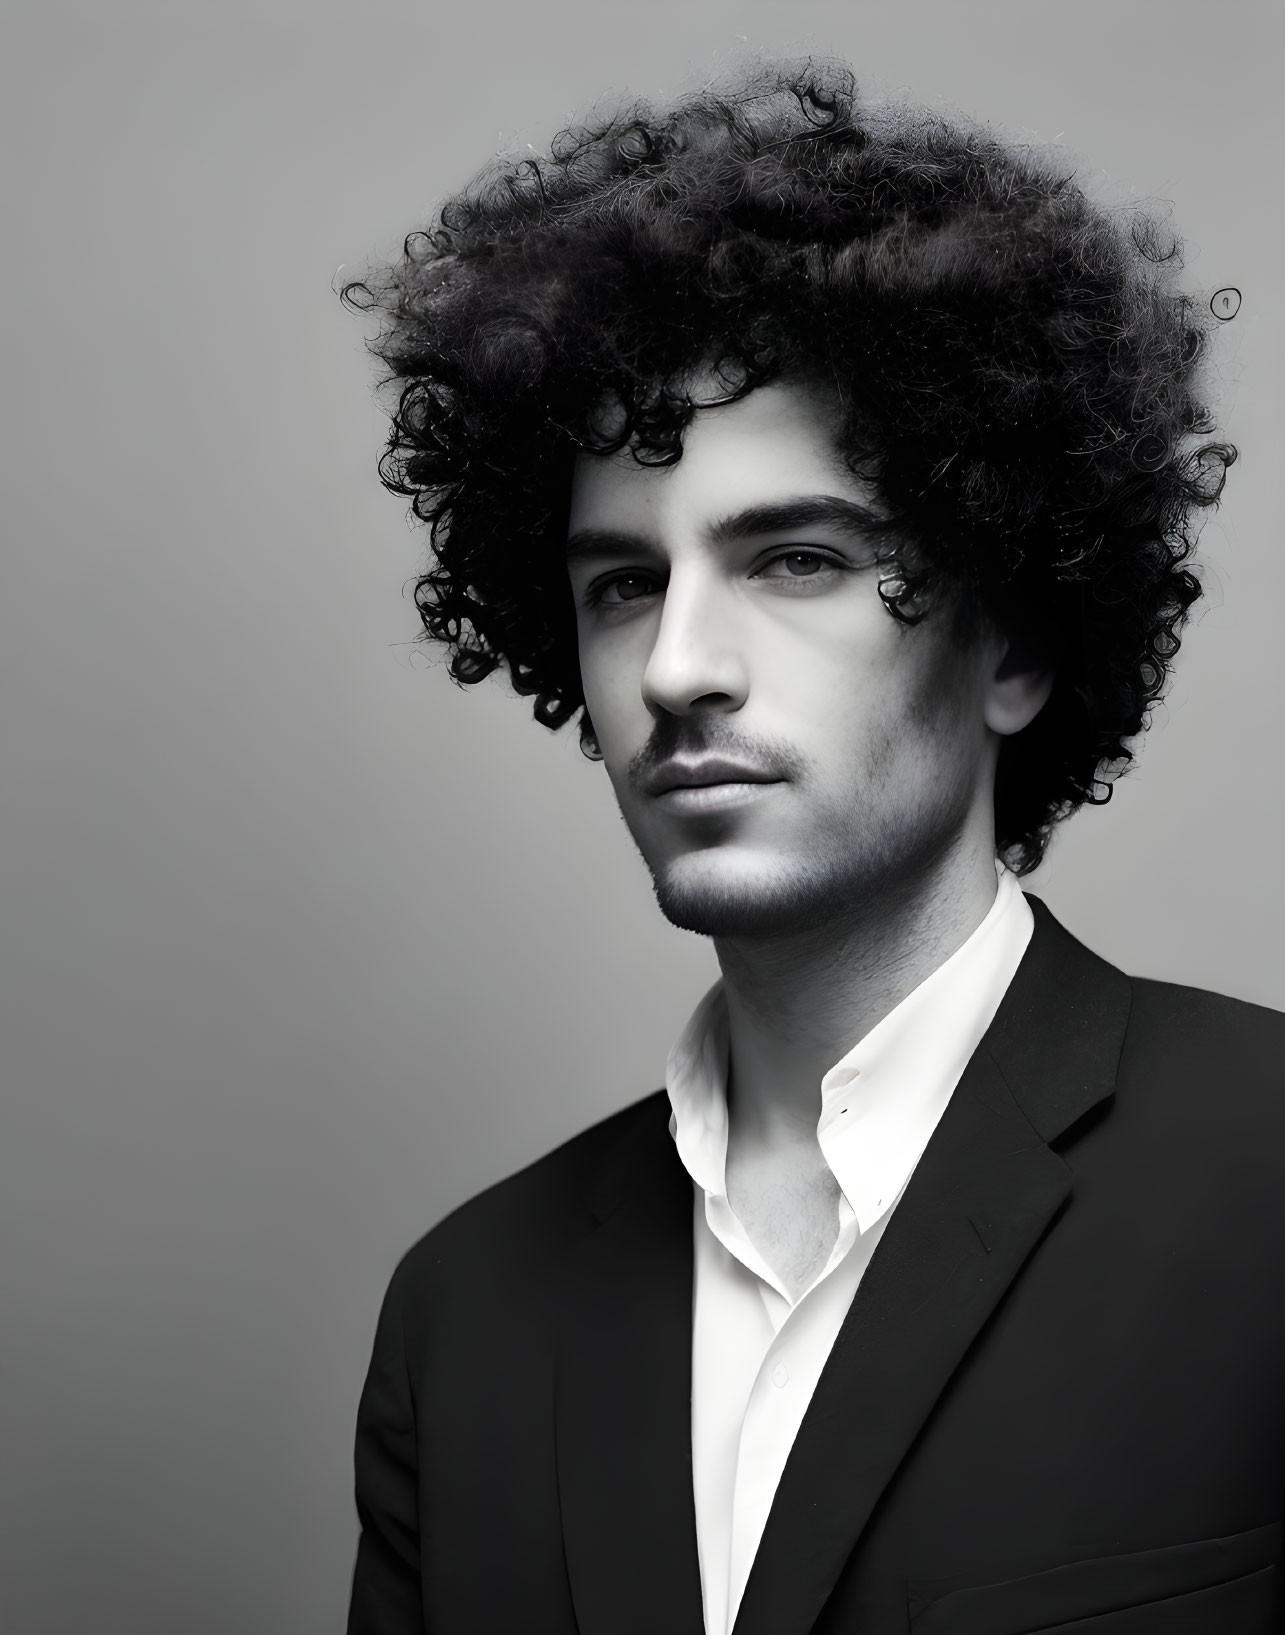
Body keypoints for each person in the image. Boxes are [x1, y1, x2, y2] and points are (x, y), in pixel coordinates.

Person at [342, 59, 1285, 1635]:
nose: (676, 669)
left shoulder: (1265, 1180)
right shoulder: (467, 1314)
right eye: (622, 585)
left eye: (792, 558)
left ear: (1013, 646)